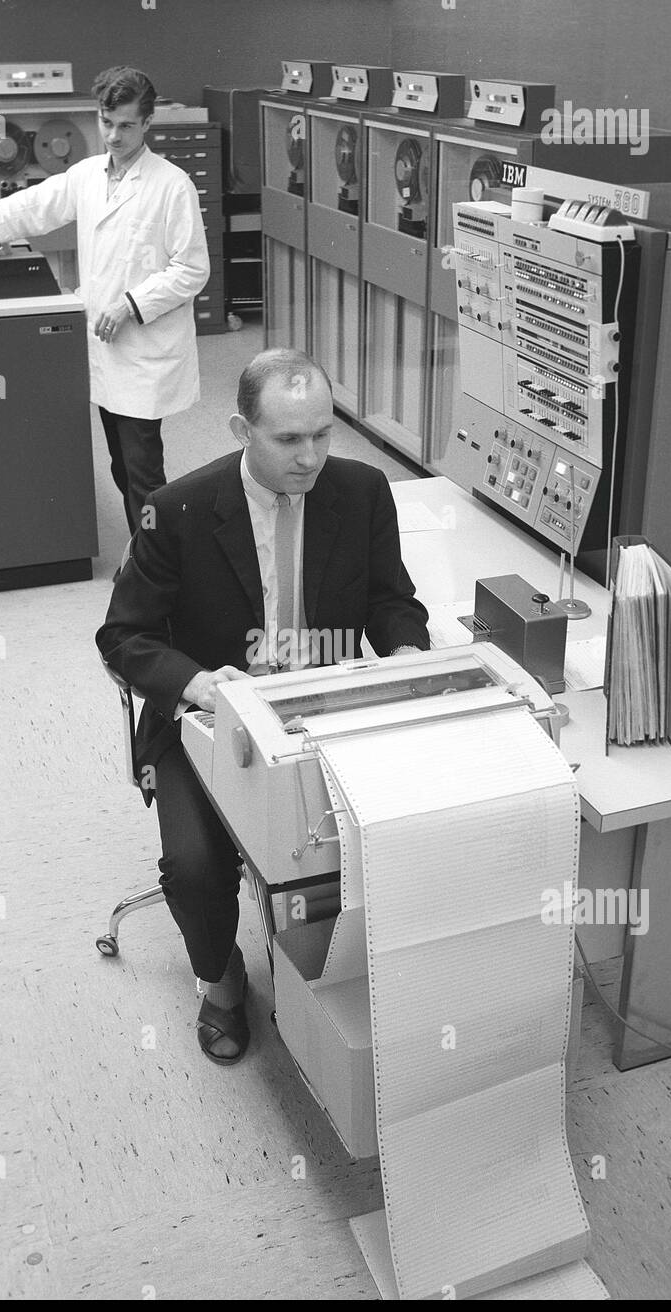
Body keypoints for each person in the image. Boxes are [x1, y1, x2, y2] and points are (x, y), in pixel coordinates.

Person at [99, 349, 429, 1065]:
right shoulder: (177, 512)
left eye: (321, 434)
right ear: (240, 429)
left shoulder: (363, 491)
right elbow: (122, 637)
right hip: (209, 722)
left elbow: (389, 600)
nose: (309, 457)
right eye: (287, 439)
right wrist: (197, 684)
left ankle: (358, 966)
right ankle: (219, 981)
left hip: (324, 706)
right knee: (193, 868)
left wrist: (405, 651)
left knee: (399, 826)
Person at [0, 66, 209, 531]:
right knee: (122, 466)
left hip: (143, 351)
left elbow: (192, 268)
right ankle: (150, 551)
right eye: (106, 122)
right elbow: (28, 208)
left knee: (142, 471)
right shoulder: (86, 175)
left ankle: (157, 566)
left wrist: (131, 304)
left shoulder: (171, 184)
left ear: (148, 123)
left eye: (126, 125)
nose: (113, 136)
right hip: (105, 349)